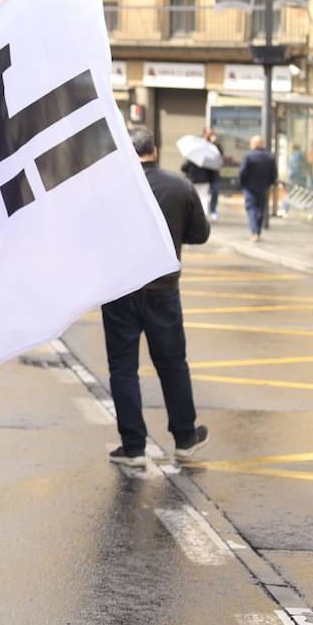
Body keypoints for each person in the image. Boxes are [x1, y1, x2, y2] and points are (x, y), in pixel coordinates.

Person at [101, 128, 211, 467]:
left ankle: (133, 446)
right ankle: (185, 438)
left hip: (120, 290)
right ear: (156, 151)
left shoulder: (111, 187)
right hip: (163, 289)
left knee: (123, 369)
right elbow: (200, 234)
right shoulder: (180, 186)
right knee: (173, 364)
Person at [238, 134, 278, 242]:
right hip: (263, 187)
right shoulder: (269, 157)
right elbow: (274, 174)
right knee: (260, 209)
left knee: (251, 208)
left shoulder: (248, 156)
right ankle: (258, 232)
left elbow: (242, 172)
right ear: (262, 144)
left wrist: (242, 183)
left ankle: (254, 232)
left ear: (253, 144)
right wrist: (269, 183)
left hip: (249, 187)